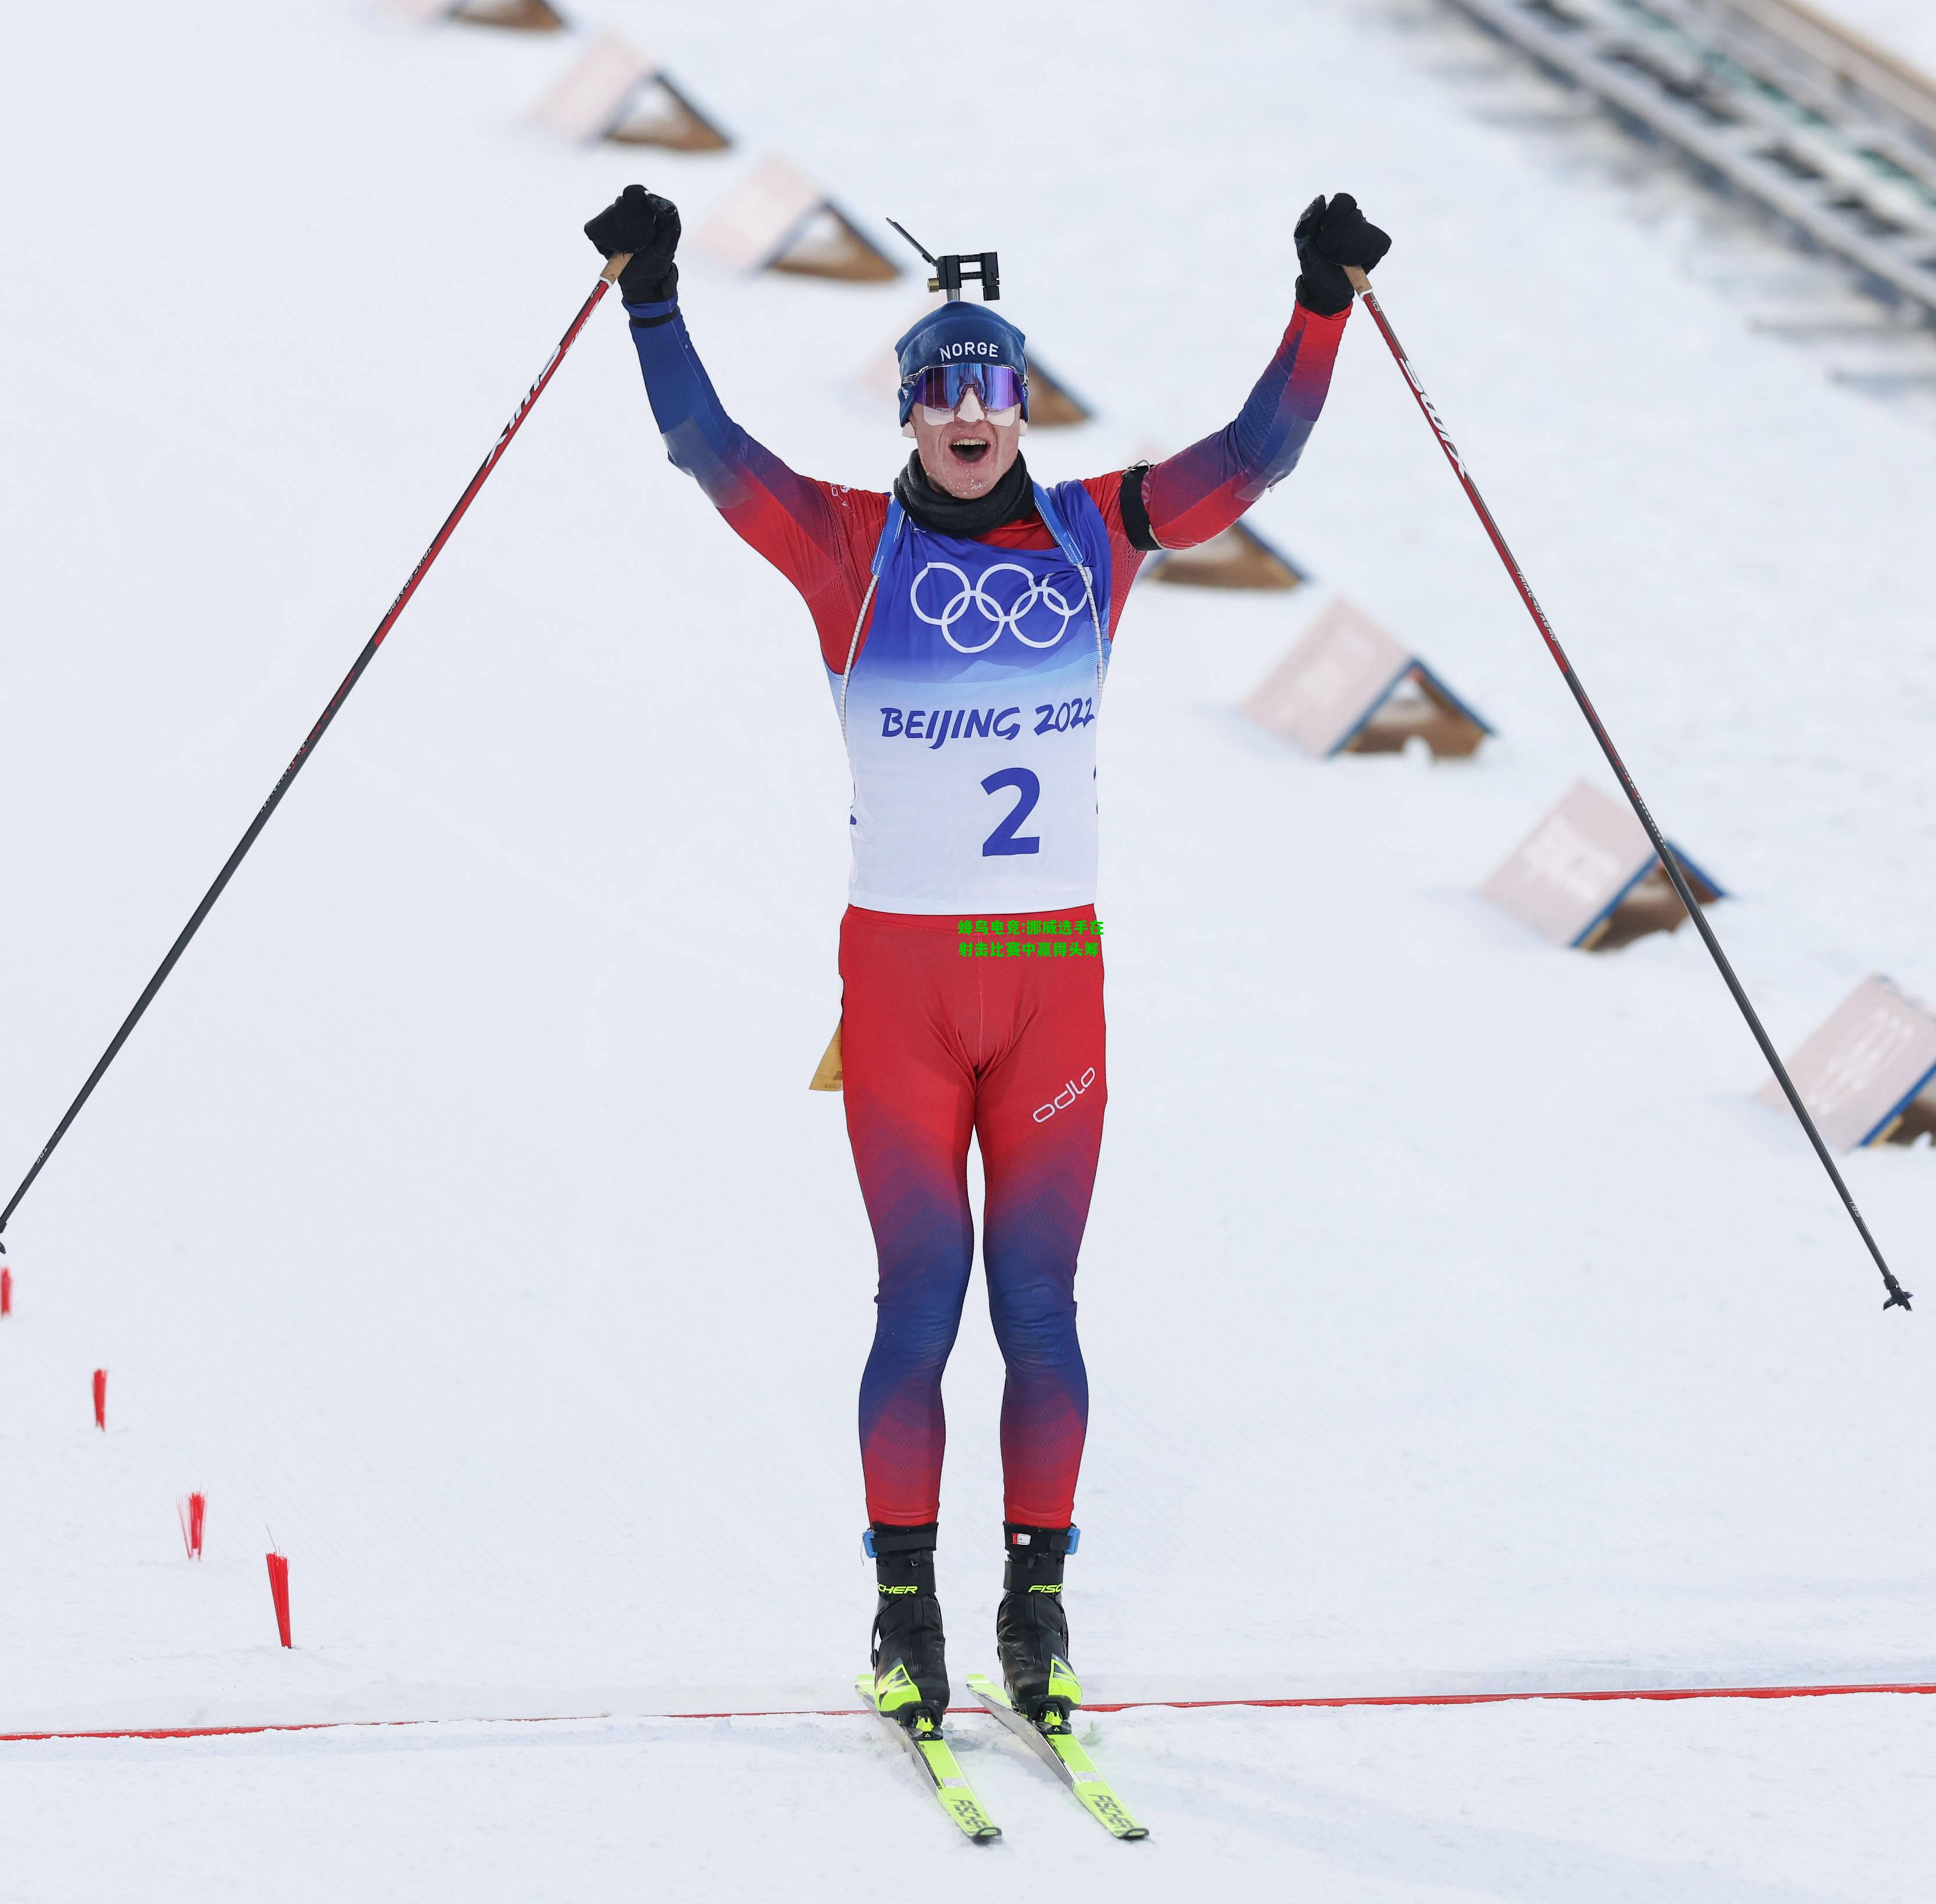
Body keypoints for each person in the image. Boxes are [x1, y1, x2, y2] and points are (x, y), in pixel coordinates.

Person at [583, 183, 1389, 1738]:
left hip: (1048, 983)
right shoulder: (848, 546)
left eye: (995, 389)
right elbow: (706, 452)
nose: (969, 417)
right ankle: (903, 1621)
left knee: (1039, 1308)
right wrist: (655, 290)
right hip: (902, 987)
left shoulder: (1101, 532)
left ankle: (1037, 1610)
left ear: (1026, 406)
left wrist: (1321, 297)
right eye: (941, 390)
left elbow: (1260, 456)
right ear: (907, 407)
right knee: (919, 1304)